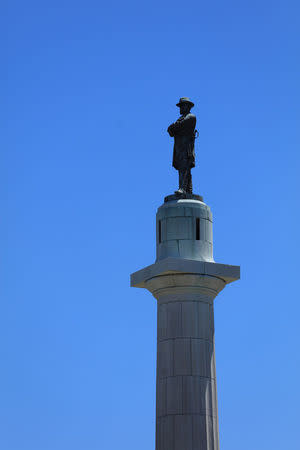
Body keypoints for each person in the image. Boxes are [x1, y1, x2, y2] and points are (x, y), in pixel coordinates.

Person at [167, 97, 197, 195]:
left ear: (187, 107)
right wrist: (174, 127)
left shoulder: (191, 117)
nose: (180, 109)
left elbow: (176, 127)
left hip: (186, 148)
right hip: (179, 147)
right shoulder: (181, 119)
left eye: (182, 106)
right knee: (182, 168)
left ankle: (183, 189)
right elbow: (170, 131)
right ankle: (188, 190)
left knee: (184, 168)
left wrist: (175, 127)